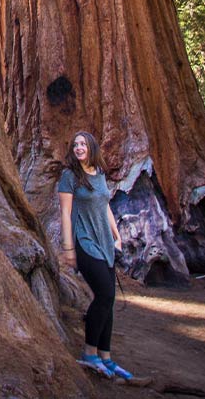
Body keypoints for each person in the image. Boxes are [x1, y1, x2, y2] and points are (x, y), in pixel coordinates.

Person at [55, 130, 133, 381]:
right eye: (75, 144)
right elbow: (65, 214)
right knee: (106, 295)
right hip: (84, 241)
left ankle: (106, 358)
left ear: (91, 148)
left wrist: (116, 234)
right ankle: (89, 354)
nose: (78, 148)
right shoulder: (69, 177)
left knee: (107, 300)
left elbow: (105, 205)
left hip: (105, 242)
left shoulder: (99, 175)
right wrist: (68, 248)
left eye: (83, 144)